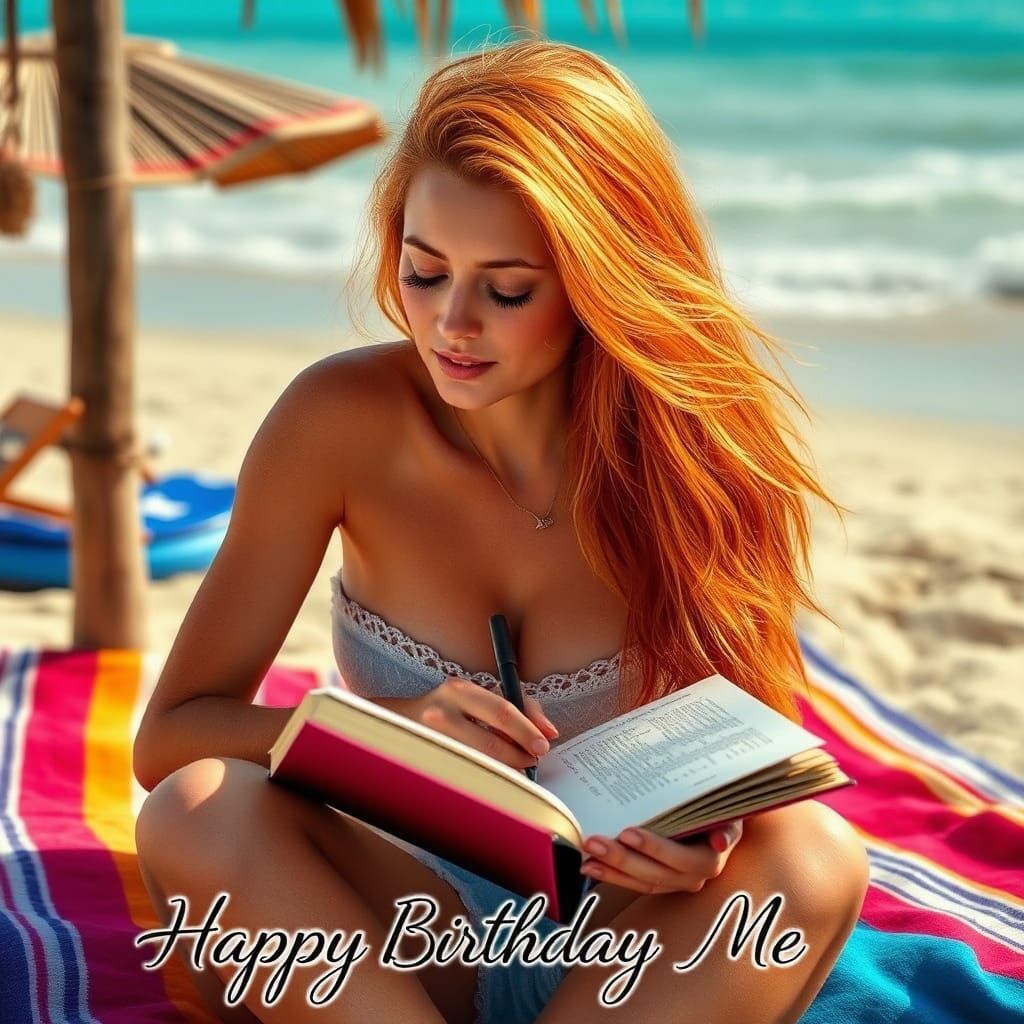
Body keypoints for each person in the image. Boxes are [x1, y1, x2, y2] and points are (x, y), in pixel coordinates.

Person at [133, 38, 869, 1024]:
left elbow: (756, 760)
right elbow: (171, 736)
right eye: (425, 270)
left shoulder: (697, 452)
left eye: (507, 288)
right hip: (392, 922)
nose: (451, 324)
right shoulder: (338, 421)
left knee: (812, 853)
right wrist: (387, 734)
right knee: (198, 806)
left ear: (598, 278)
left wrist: (709, 840)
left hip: (622, 933)